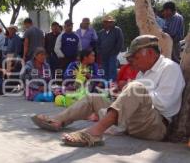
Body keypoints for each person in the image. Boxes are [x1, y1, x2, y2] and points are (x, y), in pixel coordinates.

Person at [31, 35, 185, 147]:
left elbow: (165, 103)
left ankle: (94, 133)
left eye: (135, 58)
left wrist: (133, 92)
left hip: (155, 126)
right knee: (93, 97)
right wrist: (123, 94)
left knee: (135, 88)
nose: (133, 63)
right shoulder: (142, 73)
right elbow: (135, 96)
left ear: (151, 54)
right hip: (133, 119)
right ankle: (58, 120)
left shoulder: (170, 68)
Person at [97, 15, 124, 82]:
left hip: (112, 55)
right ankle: (105, 85)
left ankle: (112, 86)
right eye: (106, 22)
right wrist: (99, 52)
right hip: (103, 55)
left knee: (112, 71)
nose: (109, 23)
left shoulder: (117, 30)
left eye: (110, 22)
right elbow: (98, 44)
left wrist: (115, 52)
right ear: (103, 23)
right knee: (104, 71)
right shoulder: (101, 32)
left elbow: (120, 42)